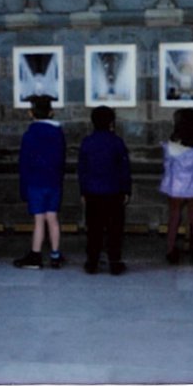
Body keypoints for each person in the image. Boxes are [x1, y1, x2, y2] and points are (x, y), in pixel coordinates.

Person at [13, 95, 66, 270]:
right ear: (51, 112)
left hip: (35, 182)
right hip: (54, 181)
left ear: (31, 113)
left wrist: (23, 188)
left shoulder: (30, 134)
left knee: (39, 220)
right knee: (52, 218)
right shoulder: (58, 133)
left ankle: (35, 255)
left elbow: (24, 163)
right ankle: (55, 255)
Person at [78, 106, 131, 275]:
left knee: (94, 229)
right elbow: (124, 169)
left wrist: (83, 191)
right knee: (115, 229)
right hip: (114, 191)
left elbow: (82, 169)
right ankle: (114, 262)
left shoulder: (87, 142)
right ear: (111, 122)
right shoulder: (117, 142)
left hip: (93, 192)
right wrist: (126, 190)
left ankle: (92, 262)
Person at [159, 108, 193, 265]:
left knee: (174, 218)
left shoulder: (171, 146)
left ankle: (170, 250)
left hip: (175, 187)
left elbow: (167, 167)